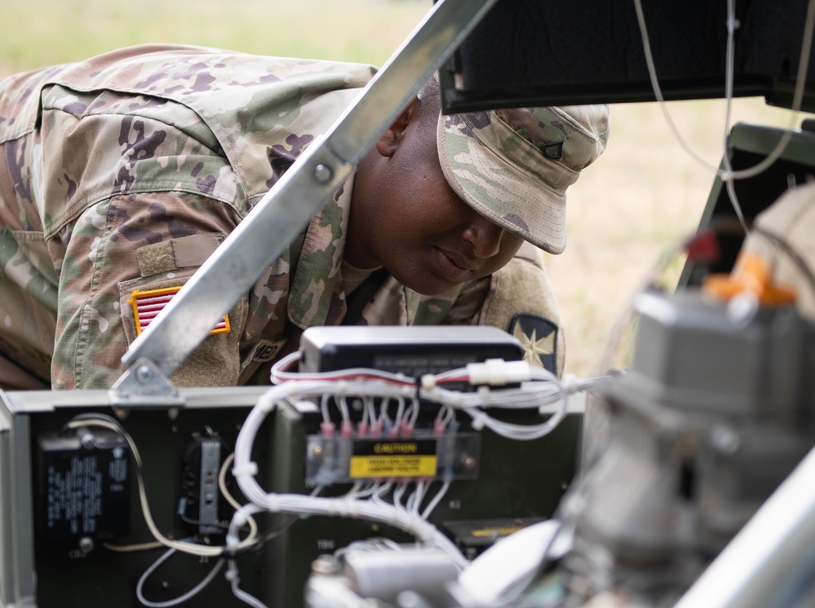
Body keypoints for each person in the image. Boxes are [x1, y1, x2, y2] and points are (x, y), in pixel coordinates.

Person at [0, 44, 610, 390]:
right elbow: (141, 473)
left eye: (517, 215)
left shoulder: (476, 252)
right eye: (474, 193)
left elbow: (523, 457)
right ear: (395, 124)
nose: (486, 238)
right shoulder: (185, 202)